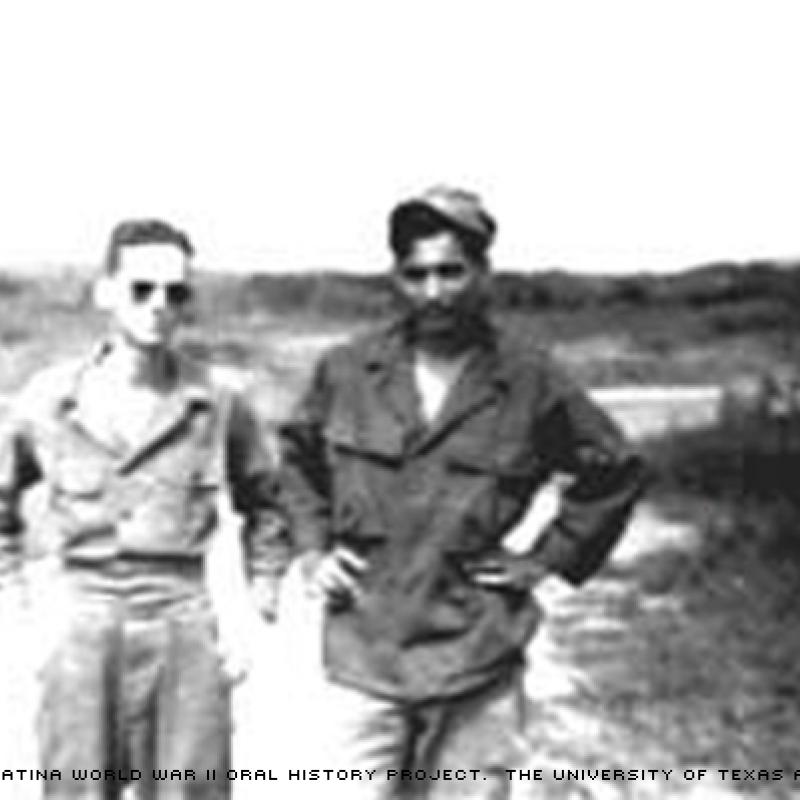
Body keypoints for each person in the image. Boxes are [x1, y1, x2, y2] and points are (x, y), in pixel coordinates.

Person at [278, 186, 648, 799]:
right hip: (365, 653)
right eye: (416, 273)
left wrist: (544, 560)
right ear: (395, 277)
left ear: (482, 273)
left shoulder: (530, 378)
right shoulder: (347, 370)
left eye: (451, 271)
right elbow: (296, 459)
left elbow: (615, 468)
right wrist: (314, 551)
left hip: (475, 654)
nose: (433, 290)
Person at [0, 219, 288, 799]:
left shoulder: (217, 401)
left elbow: (269, 504)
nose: (158, 306)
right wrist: (18, 617)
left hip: (183, 619)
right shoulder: (50, 400)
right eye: (141, 289)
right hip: (83, 620)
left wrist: (255, 610)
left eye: (175, 292)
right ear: (107, 291)